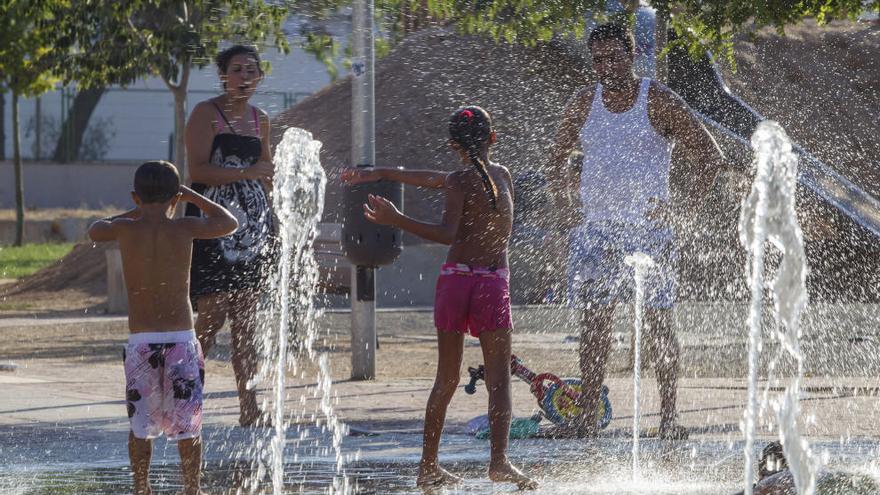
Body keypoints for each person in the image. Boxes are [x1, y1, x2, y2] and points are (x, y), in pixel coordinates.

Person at [342, 106, 538, 491]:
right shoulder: (501, 175)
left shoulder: (457, 179)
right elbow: (443, 199)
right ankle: (499, 463)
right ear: (493, 139)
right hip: (492, 283)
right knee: (499, 381)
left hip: (455, 282)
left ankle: (428, 466)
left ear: (452, 145)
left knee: (445, 378)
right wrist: (388, 187)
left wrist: (393, 206)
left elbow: (441, 200)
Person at [546, 23, 727, 439]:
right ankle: (588, 417)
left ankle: (668, 418)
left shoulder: (658, 100)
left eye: (613, 58)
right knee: (594, 327)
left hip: (649, 235)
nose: (604, 67)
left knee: (659, 326)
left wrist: (683, 212)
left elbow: (709, 157)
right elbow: (555, 160)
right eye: (597, 60)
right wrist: (567, 211)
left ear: (631, 55)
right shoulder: (582, 103)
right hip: (596, 233)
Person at [87, 161, 238, 495]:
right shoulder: (184, 226)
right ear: (175, 198)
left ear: (135, 196)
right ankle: (192, 489)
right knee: (189, 425)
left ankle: (142, 488)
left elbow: (95, 230)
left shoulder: (126, 228)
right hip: (181, 340)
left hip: (142, 341)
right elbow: (229, 222)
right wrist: (190, 196)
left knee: (140, 426)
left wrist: (138, 211)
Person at [185, 44, 276, 427]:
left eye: (252, 70)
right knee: (210, 318)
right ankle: (186, 401)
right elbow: (199, 171)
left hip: (251, 232)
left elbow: (267, 170)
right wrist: (247, 173)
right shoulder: (206, 114)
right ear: (223, 75)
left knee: (246, 321)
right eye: (238, 70)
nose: (245, 77)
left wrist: (275, 223)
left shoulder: (261, 120)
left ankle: (249, 405)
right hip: (210, 225)